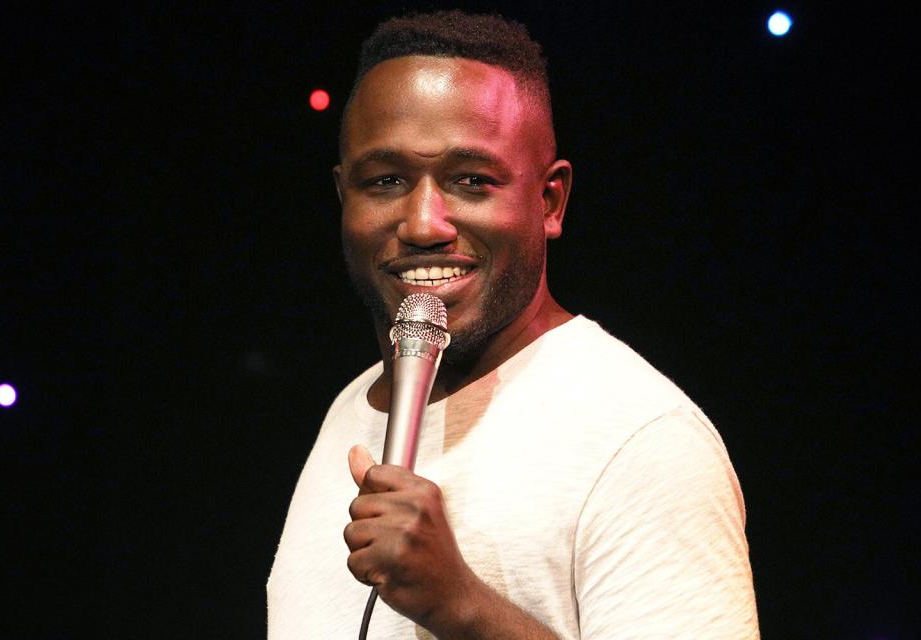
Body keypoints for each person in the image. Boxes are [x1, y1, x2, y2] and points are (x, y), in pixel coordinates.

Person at [267, 10, 759, 639]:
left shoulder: (639, 435)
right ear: (344, 198)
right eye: (386, 180)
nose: (423, 224)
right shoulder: (348, 412)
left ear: (549, 201)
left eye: (471, 180)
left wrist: (462, 607)